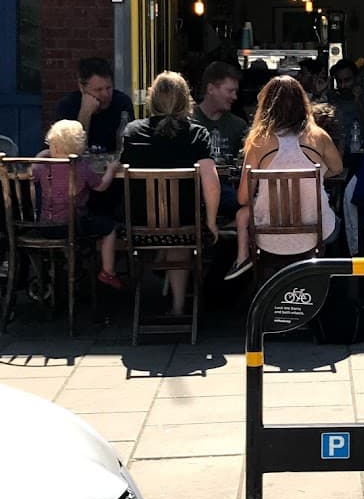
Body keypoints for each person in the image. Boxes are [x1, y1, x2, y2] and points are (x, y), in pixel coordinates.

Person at [120, 71, 220, 317]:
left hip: (140, 226)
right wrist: (211, 222)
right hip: (184, 224)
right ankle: (177, 306)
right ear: (186, 101)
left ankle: (150, 285)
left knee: (167, 226)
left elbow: (121, 174)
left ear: (151, 100)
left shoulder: (132, 132)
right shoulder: (197, 134)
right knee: (178, 231)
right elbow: (211, 182)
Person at [225, 75, 343, 281]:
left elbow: (243, 198)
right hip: (315, 232)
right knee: (337, 219)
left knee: (244, 212)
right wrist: (314, 177)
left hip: (268, 237)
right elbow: (338, 167)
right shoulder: (318, 136)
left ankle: (243, 262)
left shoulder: (258, 141)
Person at [35, 119, 123, 290]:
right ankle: (108, 271)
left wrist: (40, 155)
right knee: (110, 228)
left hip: (45, 224)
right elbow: (101, 186)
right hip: (75, 224)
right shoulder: (81, 167)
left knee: (67, 234)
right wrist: (111, 170)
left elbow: (32, 172)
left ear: (52, 145)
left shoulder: (43, 166)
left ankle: (69, 268)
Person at [191, 61, 247, 219]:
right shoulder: (189, 122)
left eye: (236, 91)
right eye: (230, 91)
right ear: (211, 89)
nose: (234, 97)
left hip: (229, 191)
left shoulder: (239, 125)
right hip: (196, 191)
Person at [56, 58, 134, 153]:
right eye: (98, 90)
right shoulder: (68, 105)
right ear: (82, 87)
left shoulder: (122, 102)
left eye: (108, 88)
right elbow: (70, 151)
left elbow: (127, 145)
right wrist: (85, 114)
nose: (105, 94)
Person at [328, 59, 364, 152]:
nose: (343, 85)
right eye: (339, 81)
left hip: (362, 154)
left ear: (356, 78)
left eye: (347, 80)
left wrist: (358, 101)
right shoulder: (331, 100)